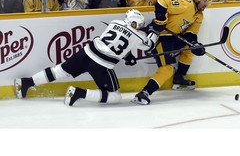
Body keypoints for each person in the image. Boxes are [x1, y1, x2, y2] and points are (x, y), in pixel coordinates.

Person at [14, 9, 158, 107]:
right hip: (101, 65)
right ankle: (78, 93)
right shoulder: (138, 35)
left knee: (59, 71)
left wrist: (128, 55)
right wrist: (155, 31)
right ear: (135, 23)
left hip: (86, 53)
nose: (140, 27)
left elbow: (117, 42)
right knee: (115, 97)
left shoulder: (115, 22)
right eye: (140, 25)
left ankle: (25, 83)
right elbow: (149, 45)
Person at [131, 0, 212, 105]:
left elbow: (191, 33)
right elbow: (162, 2)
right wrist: (161, 20)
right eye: (205, 0)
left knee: (189, 48)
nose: (206, 4)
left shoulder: (199, 15)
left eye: (208, 1)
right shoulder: (186, 5)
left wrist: (195, 44)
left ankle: (179, 78)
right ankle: (144, 93)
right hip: (160, 35)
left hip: (173, 37)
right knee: (167, 69)